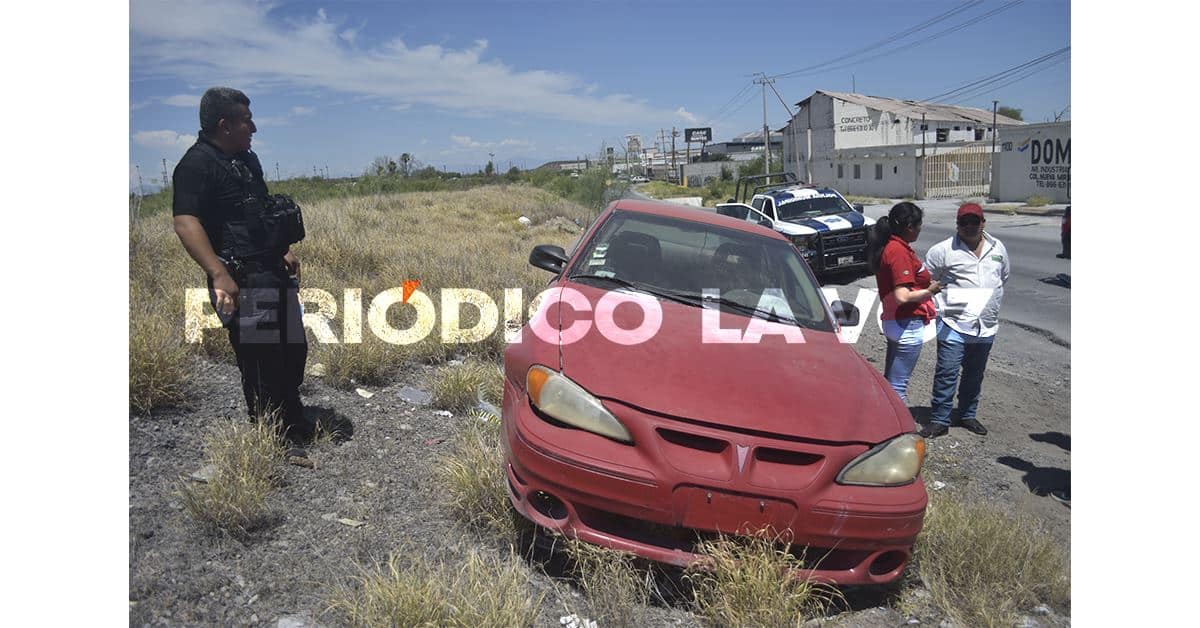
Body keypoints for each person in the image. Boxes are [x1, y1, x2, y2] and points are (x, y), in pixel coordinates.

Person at [172, 87, 314, 454]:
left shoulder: (246, 161)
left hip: (271, 270)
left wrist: (283, 248)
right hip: (240, 278)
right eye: (246, 120)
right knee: (261, 357)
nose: (254, 128)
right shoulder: (196, 165)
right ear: (225, 124)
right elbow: (186, 222)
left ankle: (293, 417)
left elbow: (260, 210)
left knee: (293, 347)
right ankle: (273, 432)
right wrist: (218, 274)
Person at [921, 203, 1010, 438]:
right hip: (953, 324)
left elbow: (1003, 277)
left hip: (985, 326)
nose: (970, 226)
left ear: (983, 222)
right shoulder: (943, 251)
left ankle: (967, 414)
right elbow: (926, 282)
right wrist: (940, 308)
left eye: (975, 221)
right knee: (947, 372)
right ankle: (940, 419)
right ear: (957, 225)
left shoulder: (997, 247)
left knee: (975, 373)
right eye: (964, 222)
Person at [868, 202, 941, 404]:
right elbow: (902, 296)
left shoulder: (893, 247)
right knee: (898, 387)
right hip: (906, 323)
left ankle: (885, 423)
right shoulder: (898, 251)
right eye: (919, 225)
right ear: (910, 227)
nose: (920, 229)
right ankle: (900, 430)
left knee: (891, 382)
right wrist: (930, 291)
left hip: (897, 321)